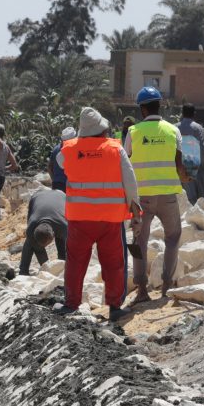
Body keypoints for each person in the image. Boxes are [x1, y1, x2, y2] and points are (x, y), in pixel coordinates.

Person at [59, 107, 142, 323]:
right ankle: (114, 307)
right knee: (114, 263)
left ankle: (71, 303)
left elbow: (61, 163)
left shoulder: (68, 149)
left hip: (80, 218)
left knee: (76, 261)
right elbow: (130, 181)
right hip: (110, 218)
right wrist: (135, 212)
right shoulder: (115, 149)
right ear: (103, 129)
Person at [127, 87, 187, 303]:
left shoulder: (133, 132)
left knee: (138, 240)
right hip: (168, 195)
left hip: (141, 197)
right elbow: (179, 165)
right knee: (172, 238)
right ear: (158, 106)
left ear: (143, 109)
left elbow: (127, 164)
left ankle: (141, 289)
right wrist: (186, 177)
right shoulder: (173, 131)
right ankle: (166, 287)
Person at [16, 189, 68, 279]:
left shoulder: (64, 226)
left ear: (53, 233)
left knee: (62, 240)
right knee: (30, 242)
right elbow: (37, 248)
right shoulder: (31, 227)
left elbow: (71, 248)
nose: (44, 246)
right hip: (37, 196)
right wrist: (47, 269)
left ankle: (62, 264)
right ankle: (23, 270)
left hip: (62, 196)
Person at [178, 102, 204, 203]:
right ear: (194, 114)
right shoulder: (198, 128)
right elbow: (203, 149)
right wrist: (202, 166)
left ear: (182, 113)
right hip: (196, 168)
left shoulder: (174, 128)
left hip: (179, 169)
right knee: (200, 200)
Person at [49, 127, 77, 192]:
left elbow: (49, 167)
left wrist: (54, 180)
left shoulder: (56, 149)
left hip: (57, 184)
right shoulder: (75, 150)